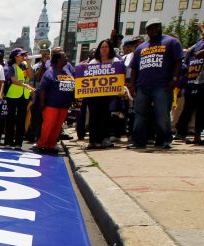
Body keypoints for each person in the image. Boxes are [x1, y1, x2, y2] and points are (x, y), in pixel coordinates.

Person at [127, 18, 184, 149]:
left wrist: (174, 80)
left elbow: (178, 62)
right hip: (142, 86)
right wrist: (132, 85)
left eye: (156, 27)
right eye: (151, 28)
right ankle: (138, 141)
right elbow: (134, 68)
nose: (154, 30)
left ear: (160, 27)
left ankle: (164, 140)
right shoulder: (140, 48)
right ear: (147, 31)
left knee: (162, 114)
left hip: (163, 85)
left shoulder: (171, 42)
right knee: (140, 115)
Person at [33, 50, 75, 154]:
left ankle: (51, 145)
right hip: (51, 105)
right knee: (49, 125)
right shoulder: (50, 72)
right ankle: (42, 144)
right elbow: (42, 89)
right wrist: (42, 103)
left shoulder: (67, 71)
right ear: (58, 60)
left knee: (57, 126)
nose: (66, 58)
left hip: (64, 105)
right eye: (64, 57)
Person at [84, 39, 123, 149]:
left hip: (108, 95)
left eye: (106, 47)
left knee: (104, 117)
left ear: (110, 48)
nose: (104, 49)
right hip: (93, 95)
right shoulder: (93, 62)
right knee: (93, 117)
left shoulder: (115, 61)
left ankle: (102, 139)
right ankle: (93, 140)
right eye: (102, 47)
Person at [177, 22, 204, 145]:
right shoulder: (196, 45)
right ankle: (180, 133)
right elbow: (188, 56)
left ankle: (197, 136)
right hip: (194, 80)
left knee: (201, 110)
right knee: (189, 108)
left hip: (200, 79)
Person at [4, 48, 34, 151]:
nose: (24, 57)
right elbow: (13, 80)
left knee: (21, 120)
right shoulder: (11, 67)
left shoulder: (24, 66)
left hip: (24, 96)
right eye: (22, 55)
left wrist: (29, 64)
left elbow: (31, 75)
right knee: (11, 119)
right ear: (16, 56)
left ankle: (18, 143)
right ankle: (8, 141)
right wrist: (26, 85)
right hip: (13, 95)